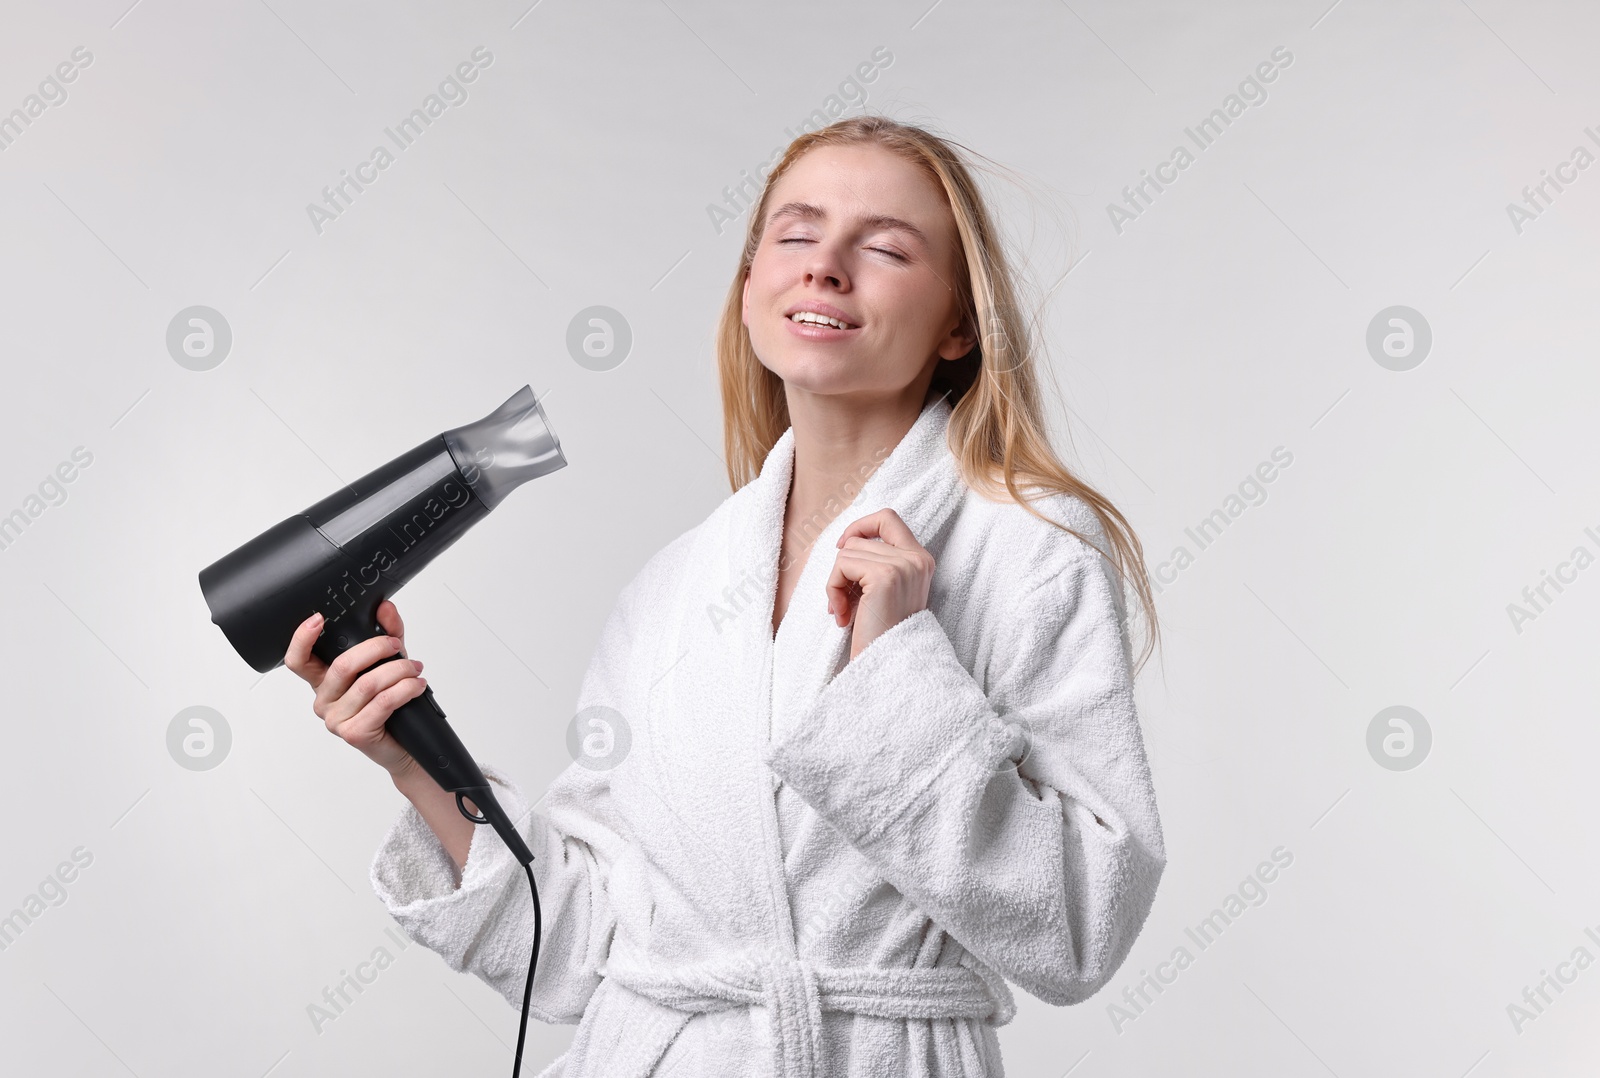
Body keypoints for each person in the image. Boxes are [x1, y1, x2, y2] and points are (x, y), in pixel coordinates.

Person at [284, 116, 1167, 1078]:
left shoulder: (1034, 550)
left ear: (961, 323)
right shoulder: (674, 589)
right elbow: (575, 953)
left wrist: (899, 671)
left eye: (883, 248)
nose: (826, 267)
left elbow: (1080, 929)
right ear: (751, 290)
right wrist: (411, 759)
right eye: (794, 235)